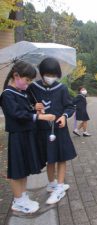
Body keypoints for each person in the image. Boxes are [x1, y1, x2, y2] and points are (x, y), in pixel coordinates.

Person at [0, 61, 56, 213]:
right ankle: (18, 201)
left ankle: (22, 196)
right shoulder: (7, 94)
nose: (28, 84)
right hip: (18, 136)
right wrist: (39, 117)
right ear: (16, 76)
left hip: (27, 135)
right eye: (27, 80)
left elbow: (27, 109)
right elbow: (17, 114)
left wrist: (35, 107)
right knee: (17, 170)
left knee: (23, 169)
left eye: (30, 81)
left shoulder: (22, 92)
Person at [28, 57, 77, 204]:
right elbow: (26, 106)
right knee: (50, 159)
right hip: (42, 130)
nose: (51, 78)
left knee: (62, 158)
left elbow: (70, 106)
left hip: (59, 130)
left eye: (54, 75)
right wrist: (33, 107)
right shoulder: (33, 88)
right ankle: (52, 184)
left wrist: (64, 116)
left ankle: (60, 186)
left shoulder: (61, 88)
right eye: (48, 74)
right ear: (42, 73)